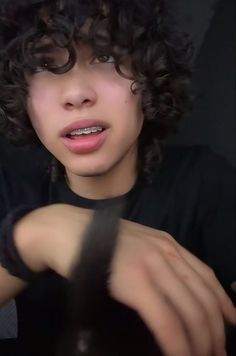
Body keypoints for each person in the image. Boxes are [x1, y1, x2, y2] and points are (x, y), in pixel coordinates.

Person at [0, 0, 235, 355]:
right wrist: (35, 237)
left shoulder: (205, 180)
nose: (77, 94)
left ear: (148, 77)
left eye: (106, 57)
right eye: (45, 64)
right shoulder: (12, 187)